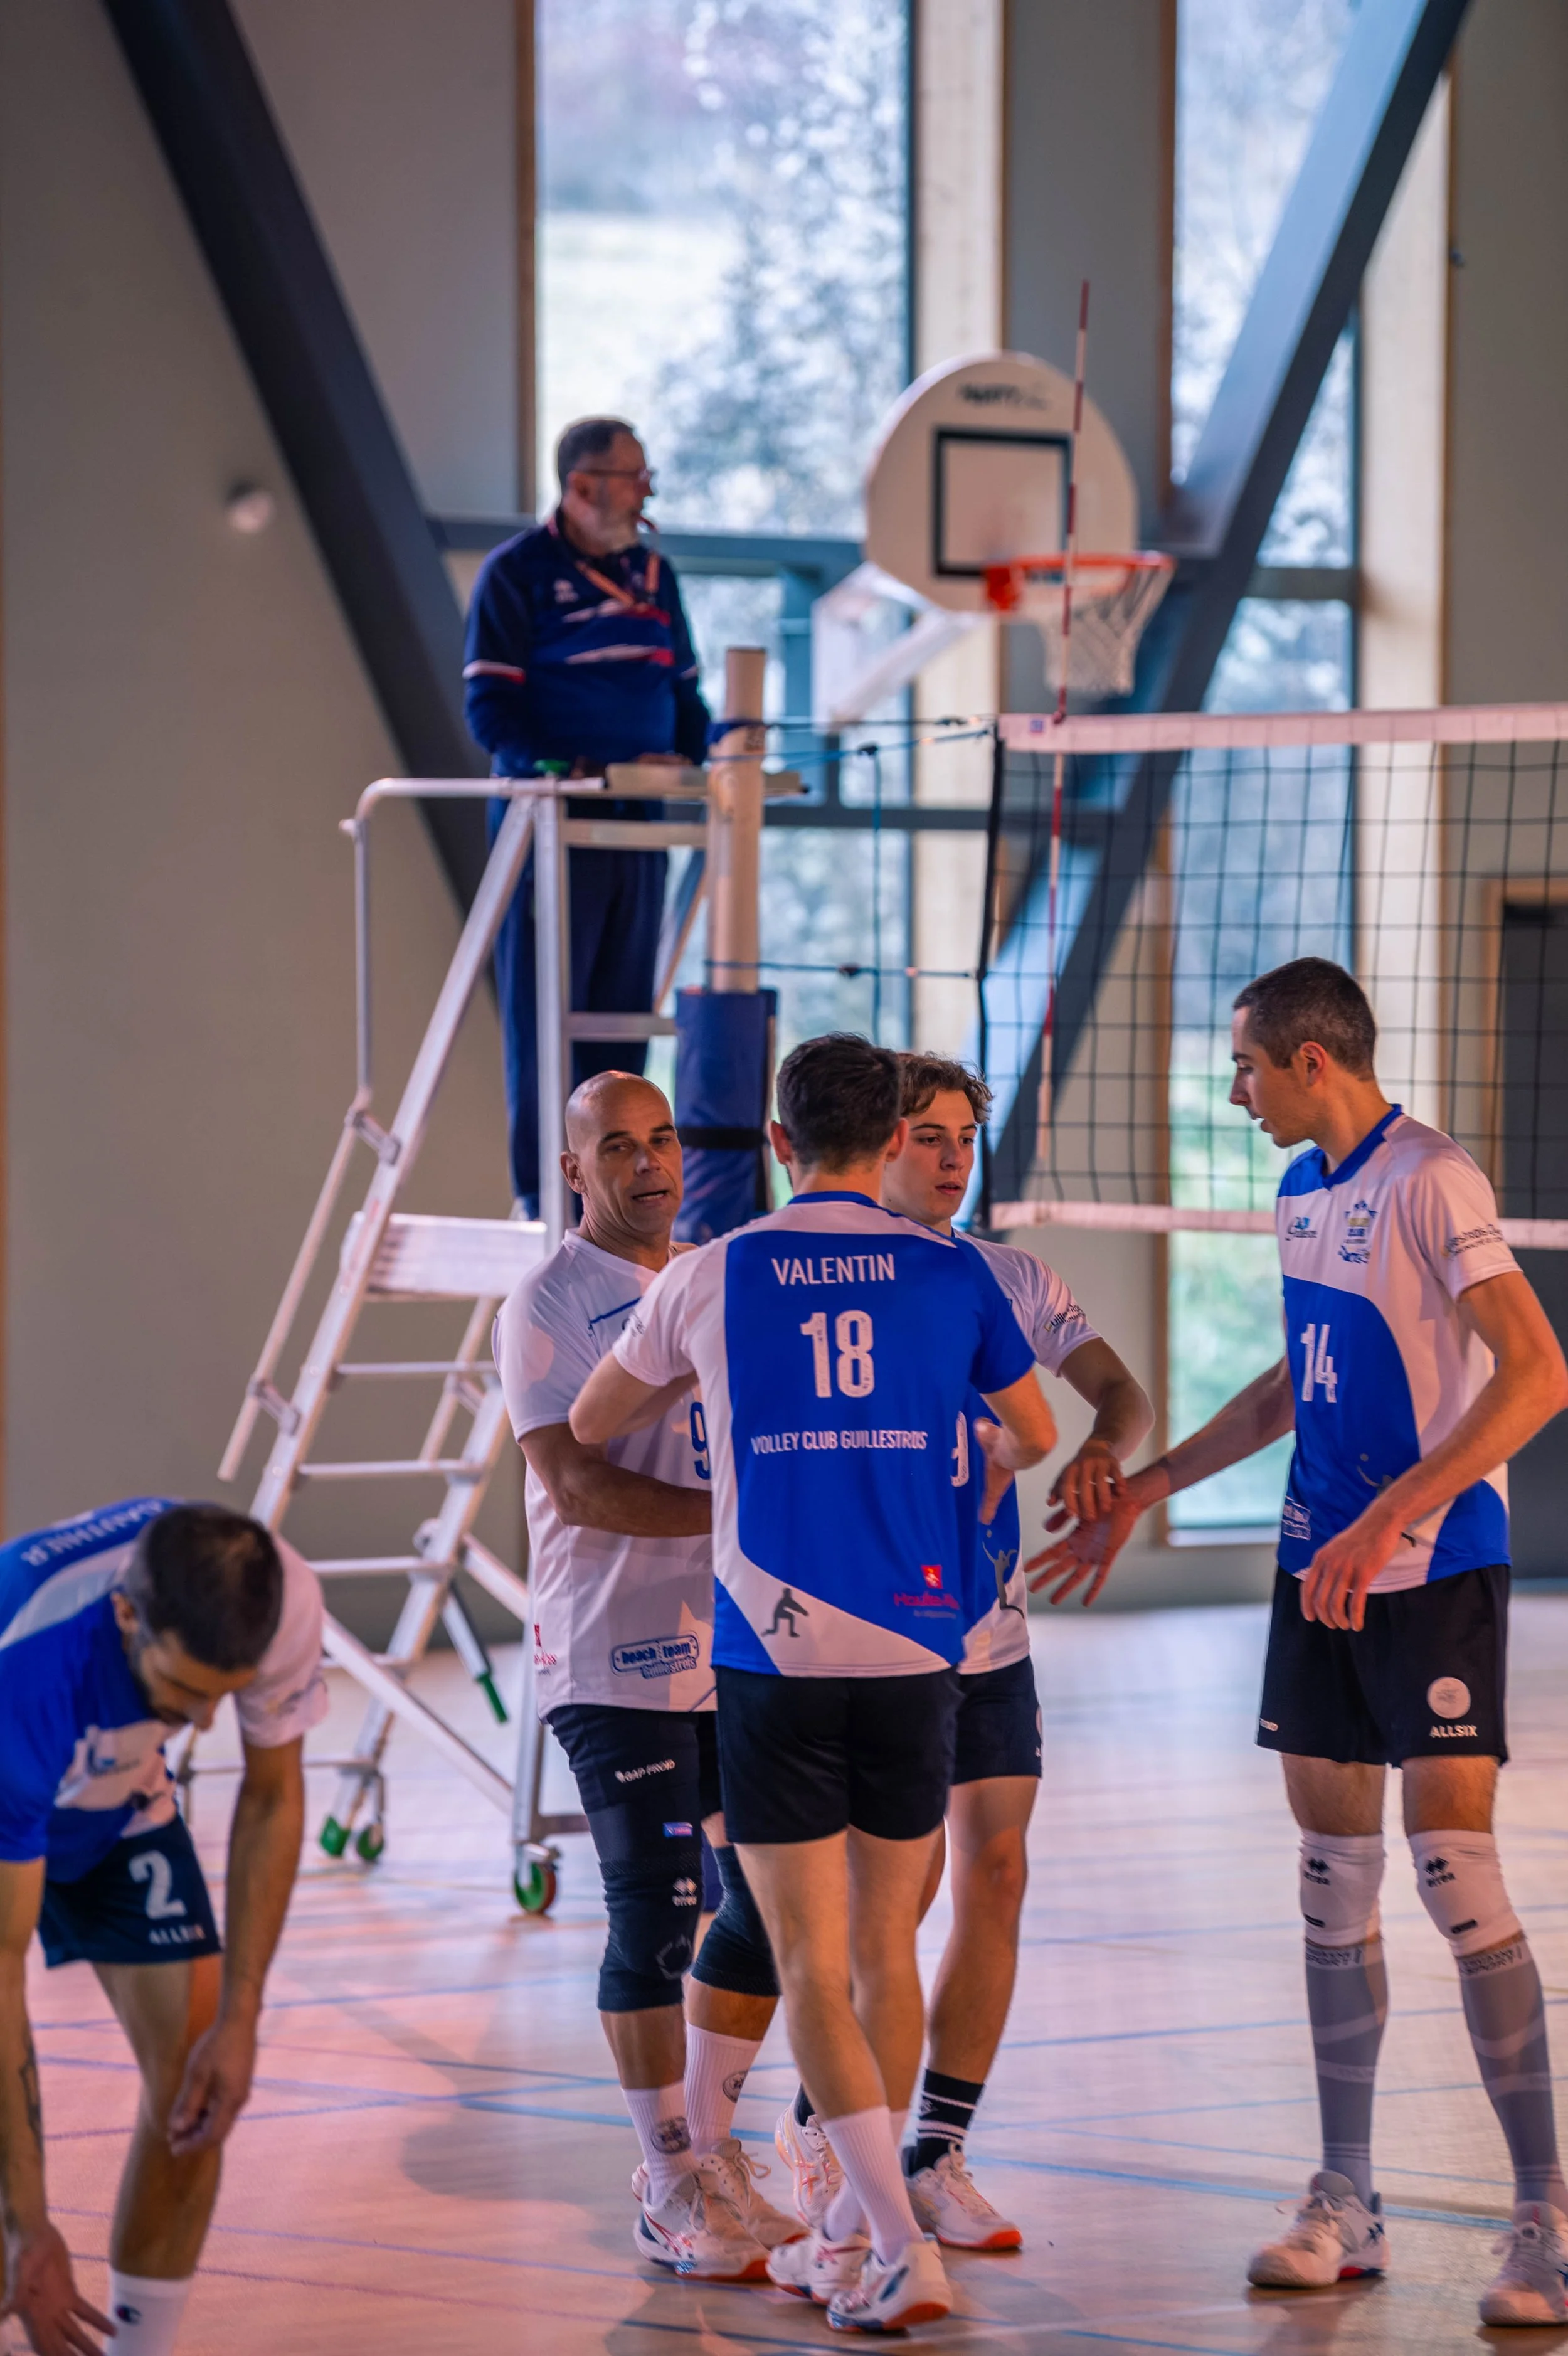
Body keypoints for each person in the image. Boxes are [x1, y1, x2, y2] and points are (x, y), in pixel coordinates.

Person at [1034, 957, 1568, 2329]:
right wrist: (1144, 1495)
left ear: (1310, 1063)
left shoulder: (1428, 1180)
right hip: (1312, 1570)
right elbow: (1290, 1383)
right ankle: (1346, 2195)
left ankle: (1543, 2218)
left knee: (1451, 1876)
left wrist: (1388, 1514)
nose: (1233, 1090)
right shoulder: (1296, 1194)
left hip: (1430, 1567)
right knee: (1331, 1884)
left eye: (1245, 1069)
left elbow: (1537, 1372)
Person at [571, 1032, 1058, 2334]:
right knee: (886, 1946)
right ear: (892, 1137)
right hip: (916, 1652)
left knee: (807, 1954)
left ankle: (891, 2244)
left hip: (771, 1653)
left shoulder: (714, 1274)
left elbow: (590, 1423)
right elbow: (1038, 1428)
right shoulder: (951, 1277)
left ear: (777, 1145)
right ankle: (848, 2228)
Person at [773, 1053, 1152, 2253]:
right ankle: (829, 2128)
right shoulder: (813, 1273)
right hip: (868, 1637)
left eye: (961, 1137)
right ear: (877, 1141)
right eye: (925, 1134)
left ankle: (935, 2148)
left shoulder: (1004, 1275)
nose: (948, 1155)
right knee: (892, 1898)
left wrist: (1100, 1446)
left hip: (985, 1632)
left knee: (996, 1873)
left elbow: (1117, 1392)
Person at [492, 1069, 795, 2281]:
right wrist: (738, 1518)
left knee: (772, 1907)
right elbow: (574, 1484)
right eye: (617, 1147)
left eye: (663, 1137)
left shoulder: (711, 1273)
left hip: (734, 1648)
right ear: (576, 1171)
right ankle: (666, 2176)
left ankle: (708, 2146)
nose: (650, 1162)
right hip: (611, 1653)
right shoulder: (548, 1303)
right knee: (657, 1914)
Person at [0, 1499, 327, 2356]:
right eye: (184, 1691)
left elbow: (271, 1792)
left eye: (224, 1694)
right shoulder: (24, 1664)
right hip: (20, 1776)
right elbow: (3, 1979)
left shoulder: (282, 1598)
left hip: (117, 1798)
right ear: (125, 1613)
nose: (207, 1720)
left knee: (196, 2085)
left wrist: (244, 2017)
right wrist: (28, 2229)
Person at [464, 417, 711, 1216]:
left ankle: (619, 1196)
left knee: (623, 1018)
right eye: (632, 479)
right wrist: (564, 770)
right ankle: (549, 1196)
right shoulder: (517, 574)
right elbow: (490, 710)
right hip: (552, 827)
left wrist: (714, 755)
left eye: (647, 477)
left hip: (637, 824)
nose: (646, 495)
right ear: (580, 489)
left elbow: (684, 699)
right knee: (549, 1022)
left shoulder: (653, 574)